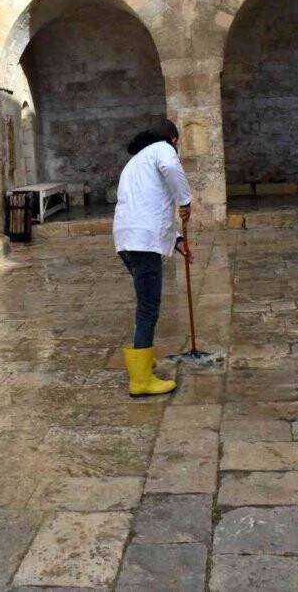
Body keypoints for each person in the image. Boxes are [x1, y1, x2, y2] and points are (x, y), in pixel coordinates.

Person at [113, 119, 193, 396]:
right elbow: (171, 169)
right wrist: (185, 201)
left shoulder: (136, 161)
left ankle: (143, 360)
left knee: (144, 303)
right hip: (143, 243)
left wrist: (177, 240)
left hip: (126, 240)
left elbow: (149, 203)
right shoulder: (163, 149)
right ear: (172, 138)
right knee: (148, 308)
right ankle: (141, 380)